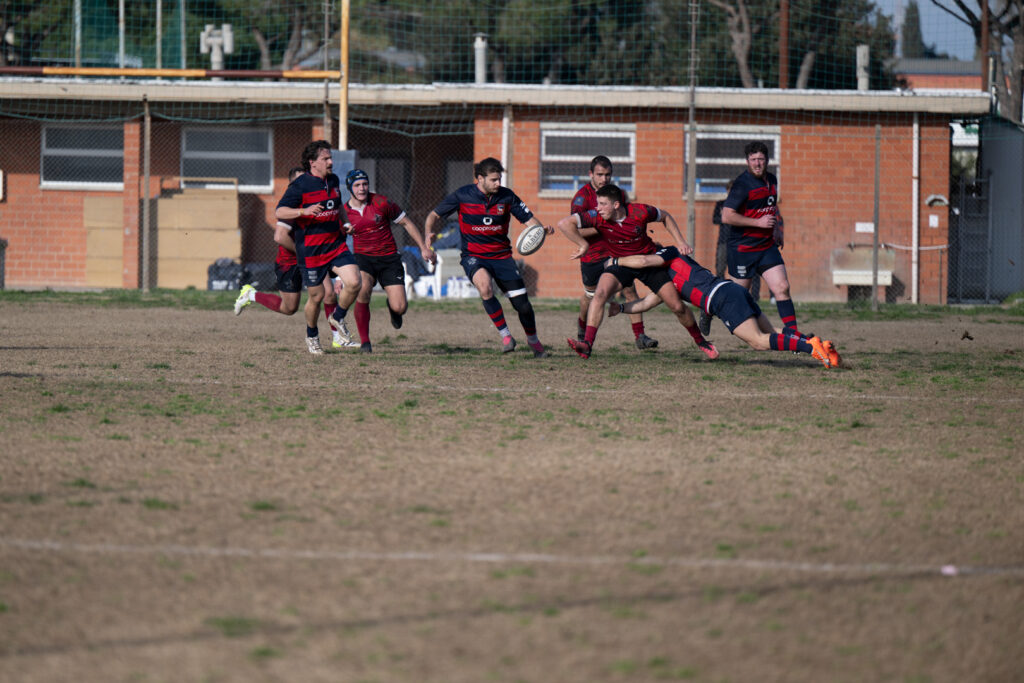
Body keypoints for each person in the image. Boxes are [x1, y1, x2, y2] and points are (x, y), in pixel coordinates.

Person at [605, 246, 841, 368]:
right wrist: (621, 309)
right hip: (731, 289)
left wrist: (616, 260)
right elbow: (647, 302)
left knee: (758, 342)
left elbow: (644, 260)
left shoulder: (667, 254)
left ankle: (812, 350)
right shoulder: (665, 282)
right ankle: (814, 343)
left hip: (722, 298)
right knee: (769, 332)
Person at [558, 184, 717, 360]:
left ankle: (701, 341)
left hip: (648, 262)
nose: (598, 208)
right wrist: (583, 245)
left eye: (603, 204)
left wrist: (681, 242)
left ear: (616, 205)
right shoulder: (597, 216)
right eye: (598, 203)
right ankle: (587, 344)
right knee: (600, 293)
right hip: (621, 263)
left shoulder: (640, 212)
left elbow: (665, 216)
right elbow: (564, 224)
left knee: (677, 306)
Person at [424, 157, 553, 358]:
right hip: (474, 255)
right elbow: (433, 215)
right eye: (494, 179)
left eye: (499, 179)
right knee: (485, 287)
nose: (498, 183)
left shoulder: (507, 196)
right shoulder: (462, 195)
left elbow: (529, 221)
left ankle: (533, 340)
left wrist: (540, 230)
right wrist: (428, 235)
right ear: (480, 178)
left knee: (523, 306)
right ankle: (506, 336)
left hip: (502, 257)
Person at [234, 167, 358, 350]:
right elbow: (280, 237)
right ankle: (251, 294)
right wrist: (303, 252)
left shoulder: (315, 201)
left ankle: (336, 337)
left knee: (328, 294)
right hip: (291, 261)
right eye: (300, 181)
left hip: (313, 256)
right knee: (289, 308)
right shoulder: (291, 209)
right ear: (293, 185)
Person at [274, 140, 362, 355]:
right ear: (312, 162)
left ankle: (337, 317)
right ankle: (312, 335)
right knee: (317, 296)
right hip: (311, 251)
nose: (331, 162)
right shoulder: (300, 185)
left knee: (354, 282)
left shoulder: (333, 179)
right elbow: (280, 211)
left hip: (335, 245)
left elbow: (338, 205)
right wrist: (302, 212)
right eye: (326, 159)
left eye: (331, 158)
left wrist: (345, 222)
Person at [344, 168, 435, 353]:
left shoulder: (381, 202)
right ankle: (365, 342)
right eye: (357, 185)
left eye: (365, 184)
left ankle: (394, 310)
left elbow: (406, 222)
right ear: (349, 188)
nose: (362, 188)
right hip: (363, 258)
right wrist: (340, 277)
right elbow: (338, 242)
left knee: (400, 307)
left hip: (389, 258)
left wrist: (423, 248)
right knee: (363, 290)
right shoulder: (344, 213)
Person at [571, 155, 657, 350]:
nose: (604, 179)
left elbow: (627, 219)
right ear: (591, 174)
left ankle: (640, 336)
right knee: (590, 296)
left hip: (617, 252)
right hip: (593, 256)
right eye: (600, 175)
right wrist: (602, 227)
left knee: (629, 289)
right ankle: (582, 330)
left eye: (608, 175)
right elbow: (577, 230)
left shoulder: (617, 195)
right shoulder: (581, 198)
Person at [720, 141, 804, 337]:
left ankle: (794, 337)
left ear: (767, 160)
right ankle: (709, 310)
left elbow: (771, 207)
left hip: (766, 247)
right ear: (747, 161)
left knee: (782, 287)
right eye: (753, 159)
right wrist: (758, 223)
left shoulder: (772, 180)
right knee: (738, 298)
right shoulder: (742, 184)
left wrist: (777, 230)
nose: (757, 163)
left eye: (761, 159)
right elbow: (727, 216)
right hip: (743, 249)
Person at [699, 179, 759, 336]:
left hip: (741, 244)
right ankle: (715, 300)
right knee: (720, 269)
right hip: (724, 242)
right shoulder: (721, 204)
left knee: (747, 273)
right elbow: (716, 219)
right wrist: (727, 216)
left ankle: (752, 300)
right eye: (730, 189)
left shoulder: (743, 205)